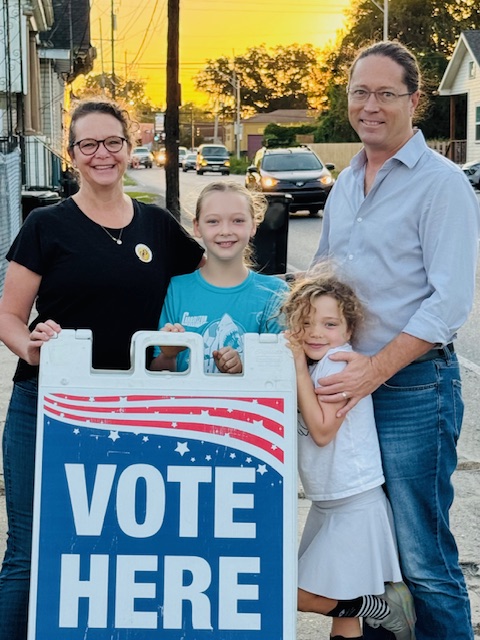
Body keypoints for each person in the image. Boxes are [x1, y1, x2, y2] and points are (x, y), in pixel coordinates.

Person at [0, 98, 205, 640]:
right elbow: (9, 316)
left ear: (129, 145)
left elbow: (208, 285)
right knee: (29, 546)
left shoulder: (159, 227)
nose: (102, 154)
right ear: (72, 154)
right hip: (46, 403)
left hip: (135, 409)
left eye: (112, 142)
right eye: (87, 144)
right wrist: (31, 346)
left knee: (117, 547)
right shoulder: (46, 225)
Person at [311, 41, 480, 640]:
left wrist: (371, 372)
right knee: (371, 554)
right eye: (361, 92)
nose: (371, 105)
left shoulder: (443, 186)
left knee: (422, 554)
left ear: (415, 100)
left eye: (386, 93)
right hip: (349, 384)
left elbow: (449, 303)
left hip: (412, 386)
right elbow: (322, 283)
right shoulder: (345, 184)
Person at [282, 270, 415, 640]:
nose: (315, 332)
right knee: (343, 615)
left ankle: (380, 607)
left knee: (294, 594)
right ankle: (366, 606)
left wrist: (296, 366)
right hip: (329, 503)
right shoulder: (316, 364)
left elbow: (323, 431)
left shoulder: (339, 364)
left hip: (354, 504)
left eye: (329, 323)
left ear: (349, 329)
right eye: (305, 322)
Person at [151, 181, 288, 374]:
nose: (225, 231)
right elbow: (156, 374)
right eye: (213, 221)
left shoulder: (274, 293)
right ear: (197, 227)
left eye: (238, 220)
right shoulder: (177, 289)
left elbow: (282, 371)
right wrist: (169, 354)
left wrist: (243, 368)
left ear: (253, 226)